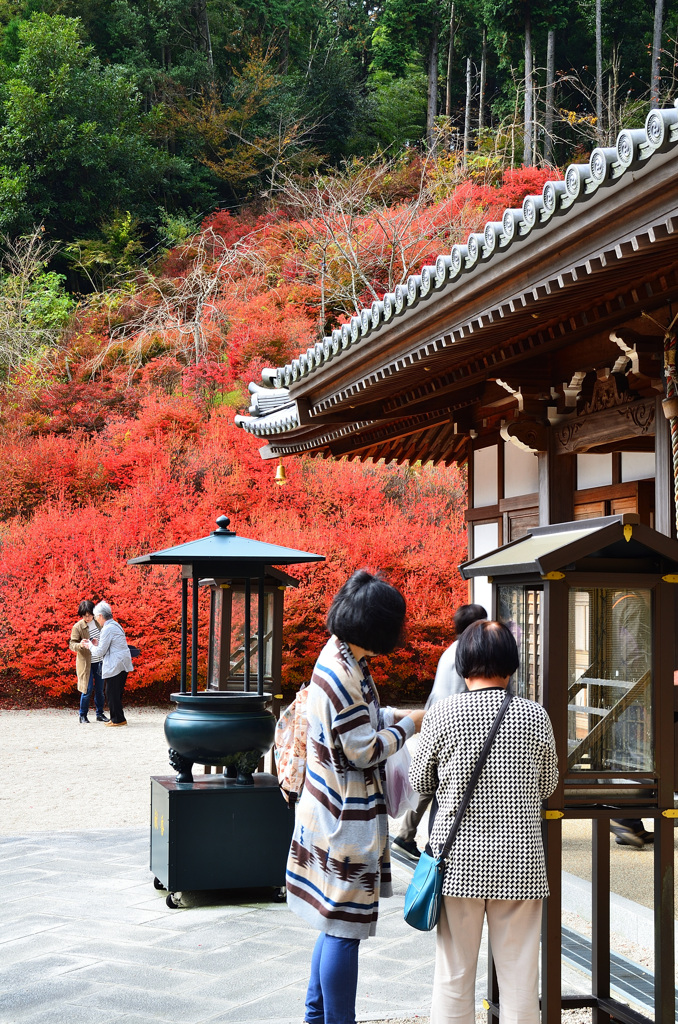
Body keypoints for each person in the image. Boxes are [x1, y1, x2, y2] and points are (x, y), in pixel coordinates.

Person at [286, 570, 426, 1024]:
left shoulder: (341, 656)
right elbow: (362, 749)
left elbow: (359, 721)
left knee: (331, 924)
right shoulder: (345, 673)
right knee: (344, 928)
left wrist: (389, 714)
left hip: (324, 806)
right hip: (345, 818)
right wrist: (408, 726)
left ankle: (315, 1017)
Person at [410, 620, 558, 1024]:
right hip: (522, 864)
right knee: (521, 978)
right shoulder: (536, 717)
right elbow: (547, 784)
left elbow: (420, 780)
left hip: (457, 864)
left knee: (453, 977)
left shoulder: (443, 714)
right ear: (511, 666)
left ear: (463, 665)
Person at [392, 603, 487, 862]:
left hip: (435, 717)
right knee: (440, 783)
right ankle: (418, 839)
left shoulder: (450, 650)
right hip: (453, 724)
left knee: (430, 781)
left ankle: (406, 835)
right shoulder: (471, 651)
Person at [89, 601, 134, 727]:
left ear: (101, 616)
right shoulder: (115, 625)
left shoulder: (107, 629)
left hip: (116, 664)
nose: (96, 619)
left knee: (111, 692)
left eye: (96, 616)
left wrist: (90, 646)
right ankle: (117, 718)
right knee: (115, 692)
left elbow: (100, 651)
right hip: (122, 662)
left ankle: (118, 720)